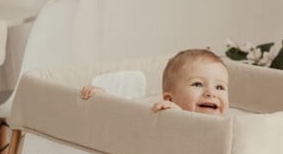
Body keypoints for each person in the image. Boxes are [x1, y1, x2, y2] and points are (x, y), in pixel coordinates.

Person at [80, 48, 229, 115]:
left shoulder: (228, 128)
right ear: (169, 99)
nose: (211, 93)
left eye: (220, 87)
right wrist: (103, 100)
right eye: (198, 84)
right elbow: (125, 116)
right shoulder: (161, 113)